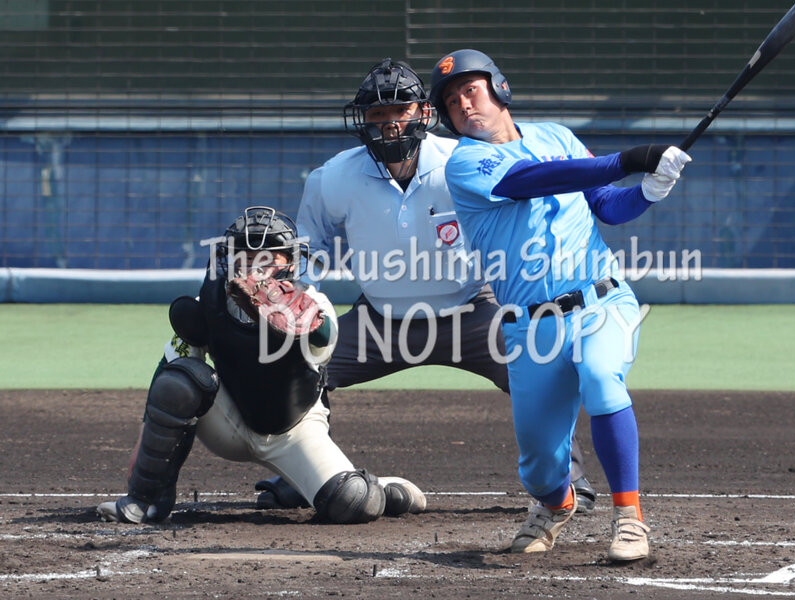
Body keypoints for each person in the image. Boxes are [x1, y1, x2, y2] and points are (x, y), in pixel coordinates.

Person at [252, 58, 600, 514]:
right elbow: (309, 248)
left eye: (401, 111)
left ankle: (567, 479)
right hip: (379, 320)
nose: (390, 123)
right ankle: (307, 476)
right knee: (296, 366)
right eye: (378, 114)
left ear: (424, 113)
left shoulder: (464, 162)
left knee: (536, 365)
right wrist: (303, 304)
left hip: (471, 311)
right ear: (362, 120)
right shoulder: (333, 177)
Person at [429, 49, 692, 560]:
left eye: (470, 90)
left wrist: (649, 190)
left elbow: (606, 205)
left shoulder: (557, 136)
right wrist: (627, 160)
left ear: (499, 88)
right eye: (452, 101)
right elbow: (529, 180)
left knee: (601, 377)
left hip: (601, 300)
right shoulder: (464, 162)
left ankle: (629, 519)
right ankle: (556, 504)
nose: (463, 104)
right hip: (531, 328)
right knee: (540, 467)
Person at [97, 206, 426, 525]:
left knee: (351, 501)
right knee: (179, 381)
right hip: (229, 423)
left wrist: (293, 314)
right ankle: (147, 499)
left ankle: (376, 488)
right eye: (246, 256)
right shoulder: (208, 302)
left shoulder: (313, 305)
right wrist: (143, 445)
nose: (256, 267)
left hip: (294, 430)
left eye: (268, 258)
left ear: (290, 262)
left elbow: (324, 336)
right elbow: (170, 363)